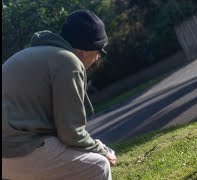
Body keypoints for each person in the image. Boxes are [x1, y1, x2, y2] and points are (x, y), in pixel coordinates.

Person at [2, 10, 117, 180]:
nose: (99, 56)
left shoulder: (32, 54)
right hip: (20, 149)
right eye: (100, 50)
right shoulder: (68, 61)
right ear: (85, 50)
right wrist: (102, 150)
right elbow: (71, 133)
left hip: (12, 151)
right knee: (98, 166)